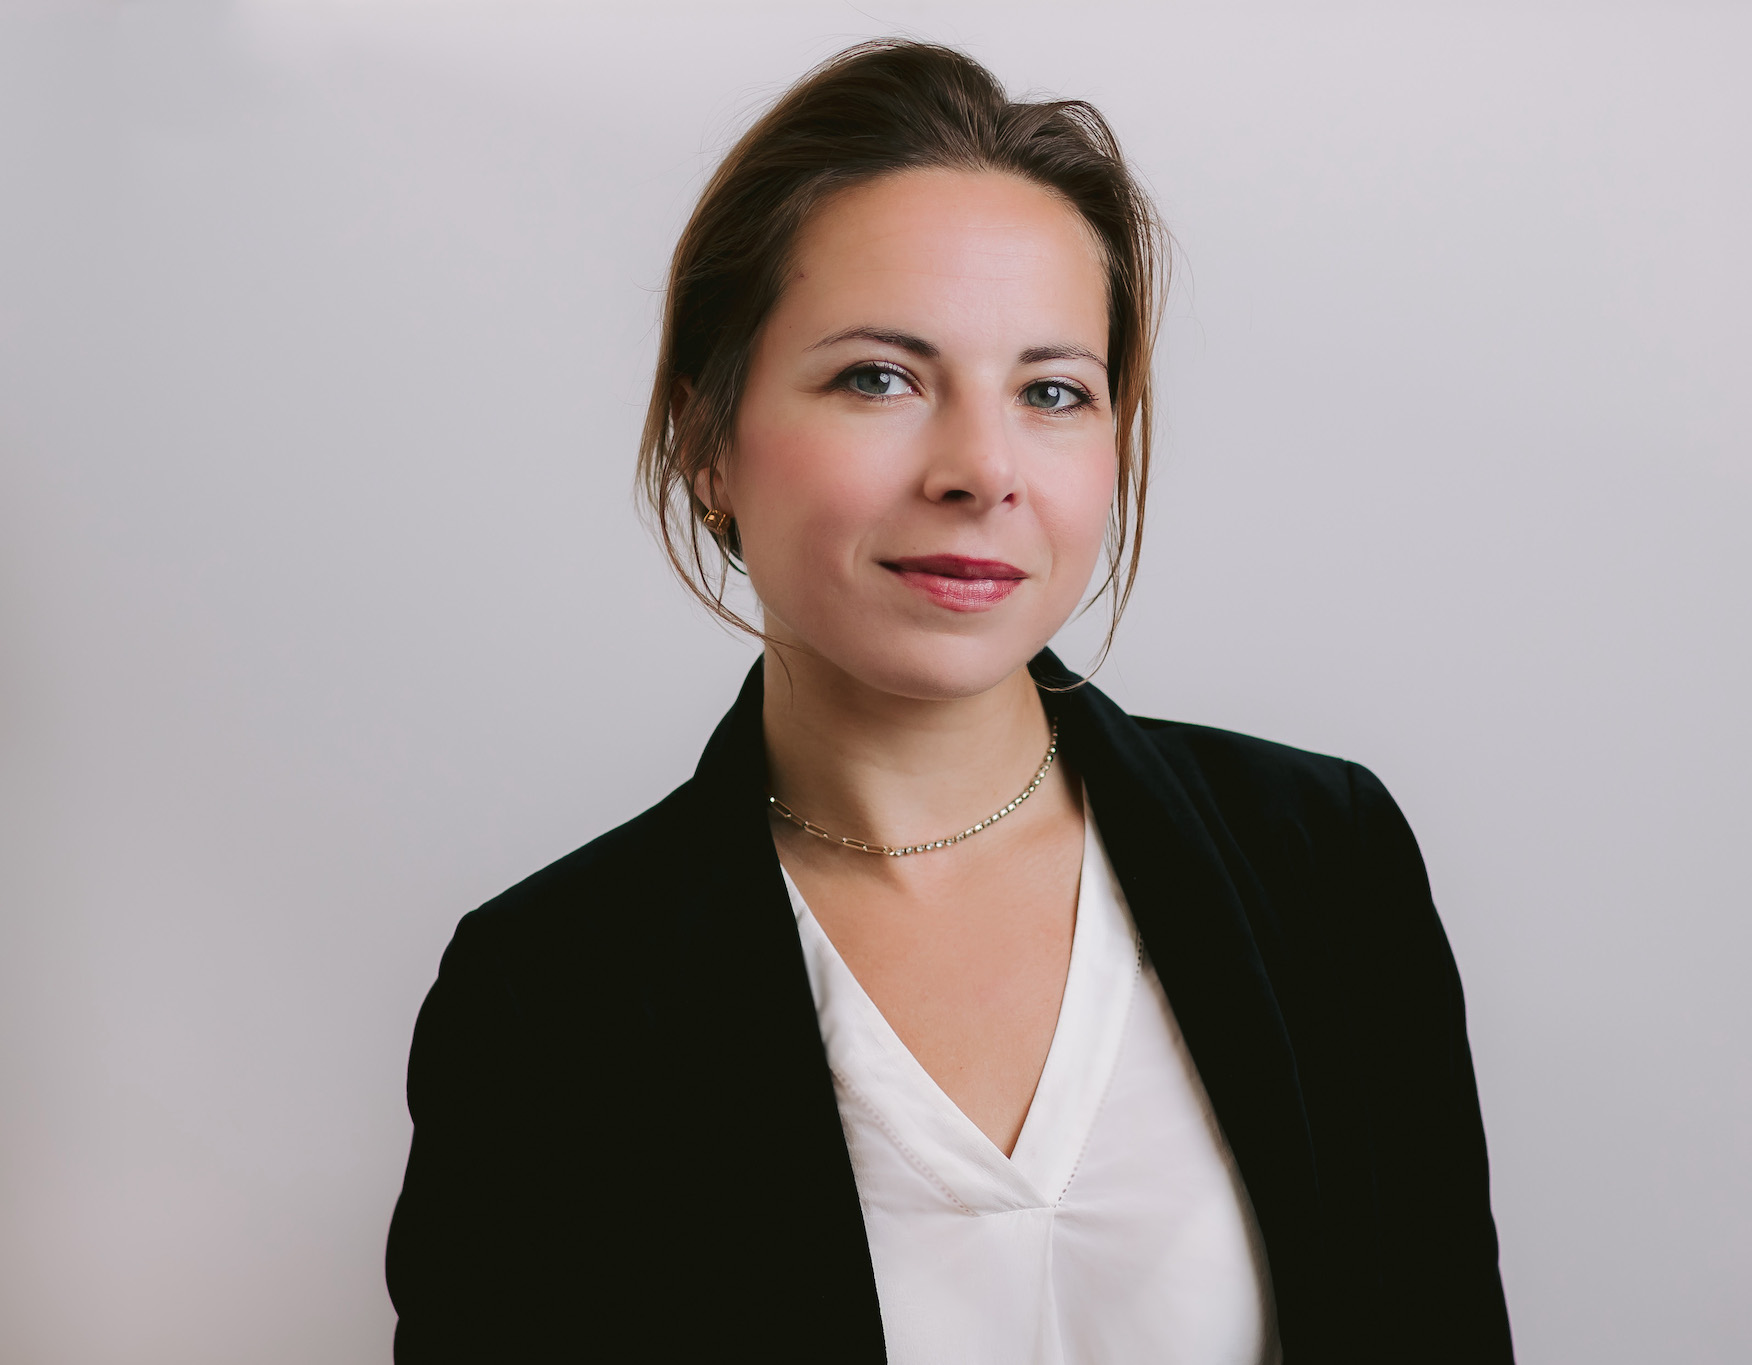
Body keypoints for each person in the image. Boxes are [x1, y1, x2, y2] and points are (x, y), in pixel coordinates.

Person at [385, 39, 1512, 1365]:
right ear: (704, 441)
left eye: (1051, 390)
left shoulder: (1322, 860)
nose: (982, 468)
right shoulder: (552, 997)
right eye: (881, 376)